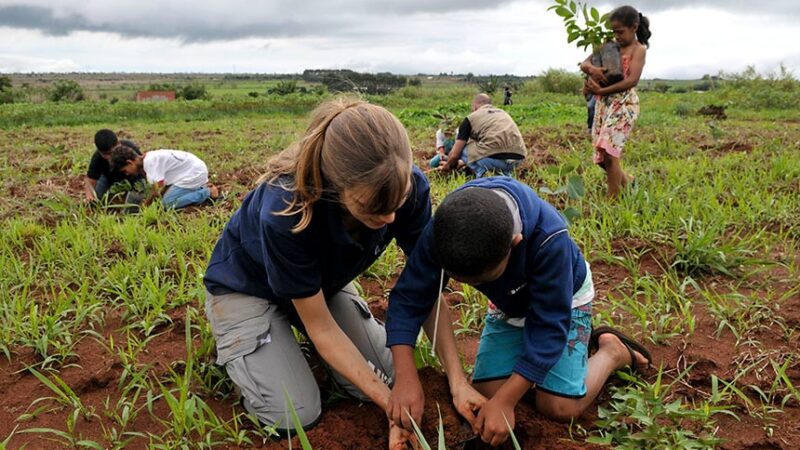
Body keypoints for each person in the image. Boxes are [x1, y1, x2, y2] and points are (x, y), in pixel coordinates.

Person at [202, 99, 467, 448]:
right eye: (372, 209)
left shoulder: (406, 186)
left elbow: (428, 288)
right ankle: (243, 349)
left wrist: (457, 379)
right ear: (335, 188)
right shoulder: (287, 210)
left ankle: (291, 353)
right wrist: (391, 406)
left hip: (320, 286)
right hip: (248, 288)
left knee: (388, 374)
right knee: (294, 413)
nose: (389, 219)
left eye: (397, 204)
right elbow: (322, 327)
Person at [385, 177, 652, 446]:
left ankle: (612, 352)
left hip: (565, 301)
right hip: (509, 304)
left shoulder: (550, 239)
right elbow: (409, 297)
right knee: (486, 391)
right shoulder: (446, 229)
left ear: (515, 242)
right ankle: (541, 369)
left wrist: (507, 400)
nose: (477, 286)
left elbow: (549, 327)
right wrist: (406, 376)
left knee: (559, 407)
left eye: (483, 280)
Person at [581, 5, 651, 198]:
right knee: (601, 157)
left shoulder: (639, 50)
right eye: (614, 32)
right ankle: (629, 181)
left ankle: (613, 201)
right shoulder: (609, 46)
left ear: (634, 27)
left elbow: (631, 81)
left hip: (625, 104)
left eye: (620, 32)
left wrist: (601, 90)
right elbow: (585, 63)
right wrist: (592, 70)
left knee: (610, 153)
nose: (617, 36)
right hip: (604, 105)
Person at [439, 93, 527, 178]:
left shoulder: (471, 118)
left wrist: (448, 166)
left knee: (462, 148)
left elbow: (455, 155)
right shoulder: (504, 113)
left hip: (493, 159)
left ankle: (482, 174)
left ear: (474, 107)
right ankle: (505, 176)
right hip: (518, 158)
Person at [110, 146, 219, 209]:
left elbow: (156, 190)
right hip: (193, 171)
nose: (127, 174)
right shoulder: (149, 158)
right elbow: (162, 187)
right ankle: (199, 188)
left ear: (129, 162)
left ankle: (207, 192)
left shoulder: (149, 163)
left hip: (193, 173)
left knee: (167, 204)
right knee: (166, 198)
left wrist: (145, 205)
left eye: (125, 170)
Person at [82, 129, 145, 205]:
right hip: (108, 177)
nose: (110, 157)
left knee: (139, 191)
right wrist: (90, 196)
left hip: (134, 175)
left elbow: (142, 167)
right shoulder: (97, 158)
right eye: (105, 155)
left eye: (111, 153)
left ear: (118, 144)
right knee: (97, 197)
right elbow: (90, 181)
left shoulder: (129, 148)